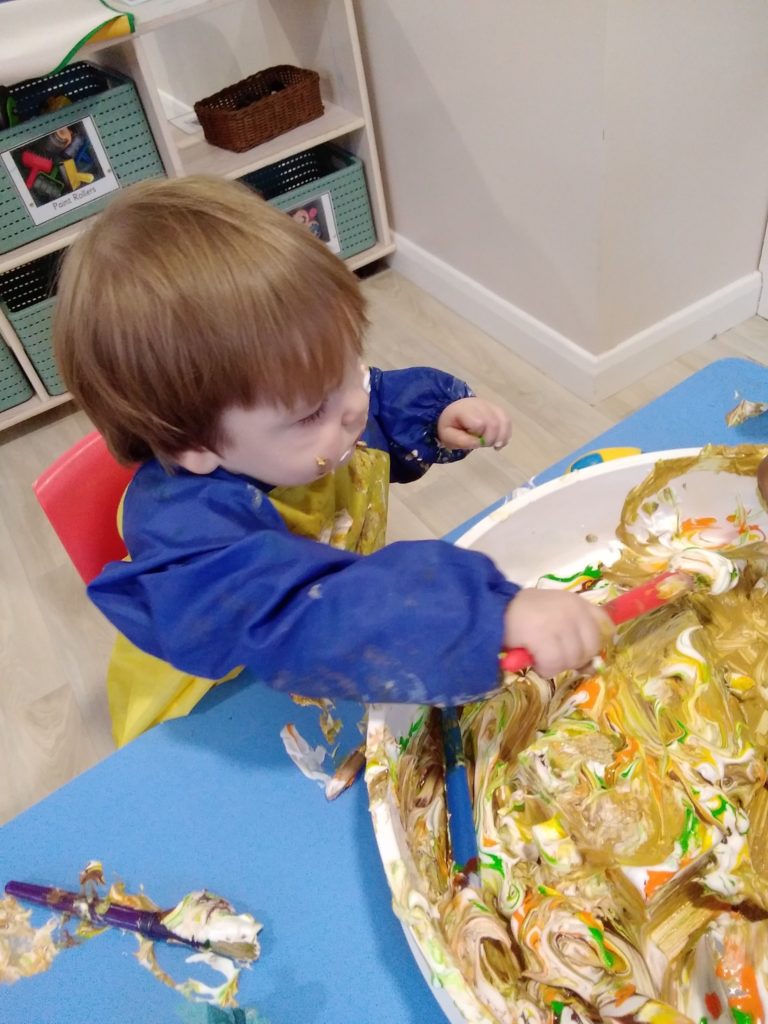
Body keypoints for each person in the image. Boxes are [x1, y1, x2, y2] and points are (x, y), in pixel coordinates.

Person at [53, 176, 610, 747]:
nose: (352, 408)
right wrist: (482, 615)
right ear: (192, 447)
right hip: (216, 703)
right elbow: (300, 614)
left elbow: (376, 400)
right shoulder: (188, 534)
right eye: (313, 408)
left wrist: (433, 414)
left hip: (335, 651)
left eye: (352, 367)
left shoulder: (313, 420)